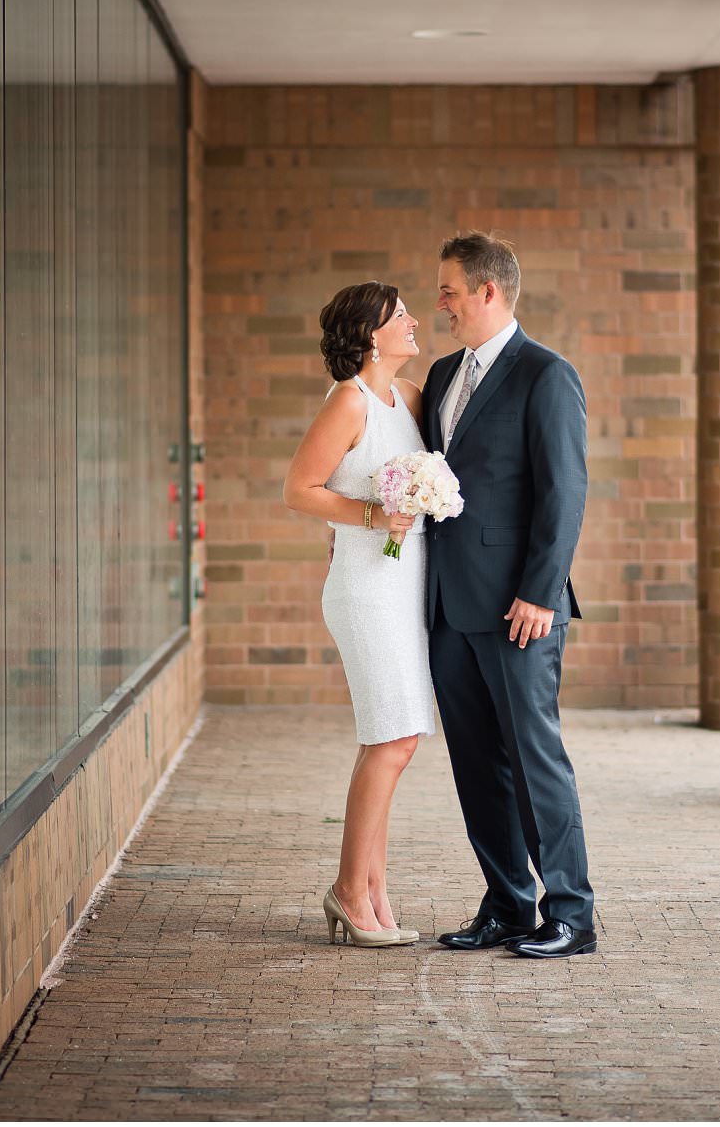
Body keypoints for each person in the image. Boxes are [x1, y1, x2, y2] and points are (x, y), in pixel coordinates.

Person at [422, 232, 597, 958]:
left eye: (449, 291)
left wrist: (540, 592)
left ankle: (572, 914)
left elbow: (565, 494)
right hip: (447, 608)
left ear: (488, 292)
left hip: (521, 609)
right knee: (474, 762)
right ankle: (508, 904)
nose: (441, 304)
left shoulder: (545, 375)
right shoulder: (438, 376)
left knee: (534, 759)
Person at [283, 281, 432, 948]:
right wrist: (373, 515)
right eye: (401, 316)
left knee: (398, 741)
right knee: (391, 740)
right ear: (371, 335)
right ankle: (350, 890)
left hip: (408, 586)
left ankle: (373, 889)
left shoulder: (414, 399)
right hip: (365, 589)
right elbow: (299, 489)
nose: (414, 322)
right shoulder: (350, 401)